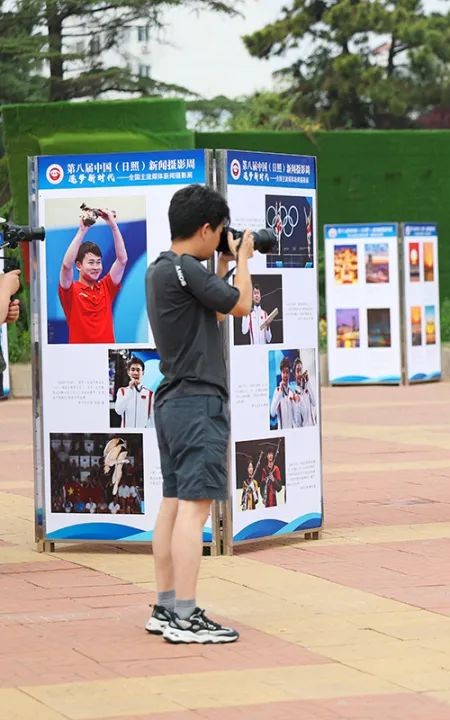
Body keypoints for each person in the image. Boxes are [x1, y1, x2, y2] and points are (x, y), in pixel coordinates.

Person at [144, 183, 253, 644]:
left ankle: (166, 606)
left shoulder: (162, 269)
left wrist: (225, 264)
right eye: (221, 233)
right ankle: (187, 617)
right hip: (196, 402)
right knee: (195, 510)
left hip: (172, 399)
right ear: (207, 228)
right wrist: (245, 259)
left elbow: (215, 312)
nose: (223, 239)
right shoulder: (186, 269)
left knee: (172, 505)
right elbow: (242, 305)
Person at [59, 206, 127, 343]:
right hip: (80, 357)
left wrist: (113, 226)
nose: (96, 267)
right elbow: (66, 266)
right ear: (79, 265)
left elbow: (122, 260)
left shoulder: (107, 287)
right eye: (91, 262)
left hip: (106, 356)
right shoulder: (70, 291)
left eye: (98, 262)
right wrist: (82, 231)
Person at [114, 357, 155, 428]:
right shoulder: (122, 391)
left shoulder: (150, 394)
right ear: (128, 372)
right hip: (126, 433)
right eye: (133, 370)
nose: (135, 373)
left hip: (143, 433)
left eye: (138, 370)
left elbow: (152, 419)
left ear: (143, 372)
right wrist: (130, 390)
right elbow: (119, 410)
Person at [271, 357, 297, 430]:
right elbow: (272, 413)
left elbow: (295, 417)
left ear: (289, 374)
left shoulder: (292, 392)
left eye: (287, 372)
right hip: (282, 432)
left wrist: (296, 402)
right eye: (283, 372)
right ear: (281, 373)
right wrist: (280, 394)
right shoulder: (277, 391)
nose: (285, 375)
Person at [293, 358, 317, 427]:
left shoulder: (307, 388)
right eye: (298, 371)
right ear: (294, 374)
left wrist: (308, 382)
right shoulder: (295, 396)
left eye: (301, 370)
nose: (300, 374)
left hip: (314, 428)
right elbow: (298, 424)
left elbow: (314, 403)